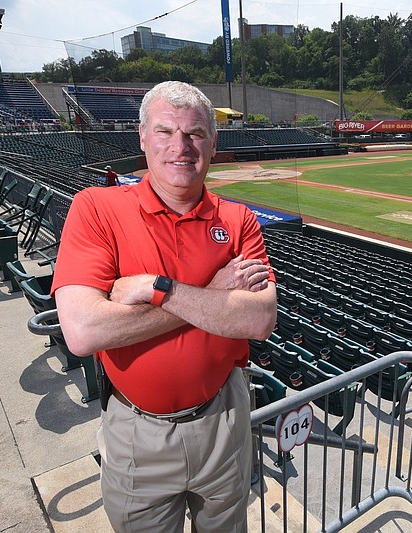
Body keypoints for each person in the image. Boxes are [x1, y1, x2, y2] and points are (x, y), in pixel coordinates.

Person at [51, 81, 277, 532]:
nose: (181, 146)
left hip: (224, 418)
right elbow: (83, 331)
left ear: (213, 143)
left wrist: (158, 289)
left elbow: (259, 319)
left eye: (194, 134)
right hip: (138, 430)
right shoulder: (96, 207)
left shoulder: (238, 219)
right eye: (165, 131)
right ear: (141, 137)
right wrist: (213, 292)